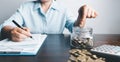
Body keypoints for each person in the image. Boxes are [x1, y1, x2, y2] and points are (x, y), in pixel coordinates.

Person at [0, 0, 97, 42]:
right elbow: (5, 26)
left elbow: (75, 30)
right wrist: (10, 31)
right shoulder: (25, 7)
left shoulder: (63, 9)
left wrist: (81, 17)